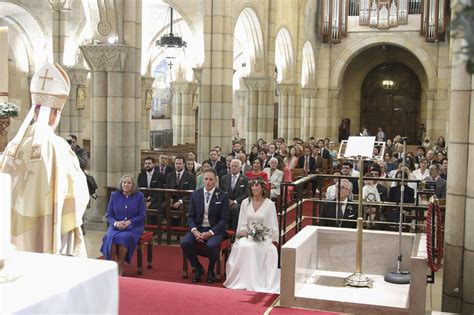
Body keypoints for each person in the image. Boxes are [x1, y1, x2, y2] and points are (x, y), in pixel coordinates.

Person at [1, 63, 89, 256]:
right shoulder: (58, 147)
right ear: (56, 113)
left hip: (11, 234)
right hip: (48, 232)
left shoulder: (11, 147)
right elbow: (79, 194)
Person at [224, 178, 280, 293]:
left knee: (252, 247)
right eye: (252, 186)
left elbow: (272, 225)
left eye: (257, 185)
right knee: (243, 246)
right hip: (248, 235)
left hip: (264, 237)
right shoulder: (245, 202)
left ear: (262, 187)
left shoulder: (269, 204)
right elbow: (242, 222)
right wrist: (243, 233)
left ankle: (255, 281)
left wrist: (273, 239)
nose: (254, 188)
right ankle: (243, 280)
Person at [180, 168, 230, 283]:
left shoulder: (222, 196)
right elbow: (190, 216)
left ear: (215, 180)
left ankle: (211, 269)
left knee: (212, 245)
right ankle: (197, 267)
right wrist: (194, 231)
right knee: (185, 243)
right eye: (206, 179)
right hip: (198, 228)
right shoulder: (196, 194)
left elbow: (224, 220)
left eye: (211, 179)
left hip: (215, 230)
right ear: (202, 180)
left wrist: (210, 233)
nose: (208, 182)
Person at [101, 175, 145, 275]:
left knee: (124, 237)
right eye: (124, 182)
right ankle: (111, 265)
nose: (126, 185)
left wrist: (130, 222)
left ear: (133, 185)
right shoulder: (114, 195)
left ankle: (120, 264)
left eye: (129, 183)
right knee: (109, 237)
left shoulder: (139, 196)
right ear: (121, 184)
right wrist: (116, 223)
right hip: (116, 225)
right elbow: (109, 214)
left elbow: (142, 215)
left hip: (133, 226)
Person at [220, 159, 250, 230]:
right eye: (232, 166)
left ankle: (234, 229)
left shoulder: (245, 179)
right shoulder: (224, 178)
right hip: (226, 201)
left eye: (235, 166)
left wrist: (235, 201)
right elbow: (220, 191)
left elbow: (247, 194)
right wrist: (226, 200)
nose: (233, 168)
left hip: (239, 202)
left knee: (235, 208)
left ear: (240, 168)